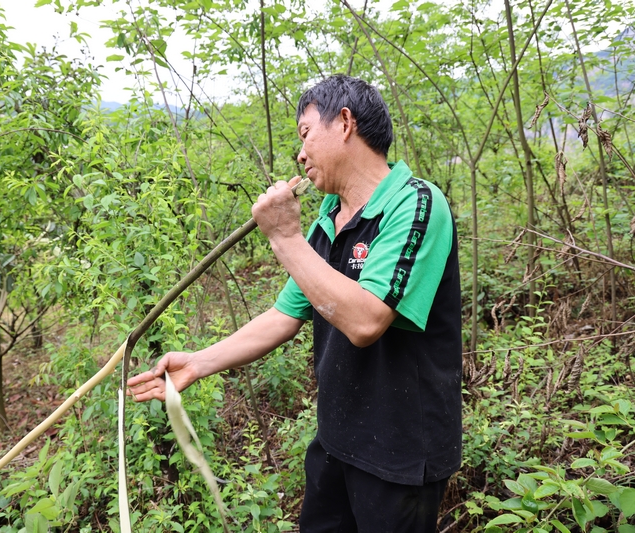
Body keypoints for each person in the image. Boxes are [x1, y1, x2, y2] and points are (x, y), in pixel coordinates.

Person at [127, 74, 462, 533]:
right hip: (335, 441)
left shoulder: (416, 203)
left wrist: (285, 238)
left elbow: (366, 321)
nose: (300, 154)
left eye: (306, 134)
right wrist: (198, 364)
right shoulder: (328, 220)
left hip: (400, 453)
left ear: (345, 122)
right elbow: (286, 313)